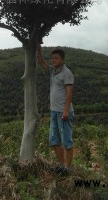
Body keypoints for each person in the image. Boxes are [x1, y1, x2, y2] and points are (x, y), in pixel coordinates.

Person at [37, 44, 74, 175]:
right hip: (53, 111)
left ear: (62, 59)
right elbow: (42, 63)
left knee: (67, 141)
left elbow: (69, 93)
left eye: (56, 58)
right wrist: (39, 50)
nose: (53, 60)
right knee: (54, 141)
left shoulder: (67, 73)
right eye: (52, 58)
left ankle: (67, 168)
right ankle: (61, 165)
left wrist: (66, 110)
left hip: (63, 112)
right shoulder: (53, 71)